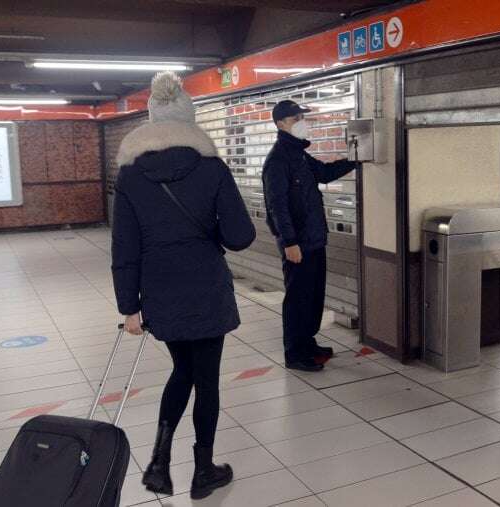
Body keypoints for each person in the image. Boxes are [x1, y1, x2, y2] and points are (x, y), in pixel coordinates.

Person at [111, 71, 255, 500]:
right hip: (206, 290)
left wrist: (129, 307)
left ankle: (158, 461)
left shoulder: (132, 176)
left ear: (152, 121)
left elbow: (124, 246)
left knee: (182, 370)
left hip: (160, 293)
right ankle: (203, 470)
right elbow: (241, 236)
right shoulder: (211, 168)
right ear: (189, 120)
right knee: (204, 378)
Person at [262, 100, 360, 372]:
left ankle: (307, 342)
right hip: (298, 244)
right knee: (297, 299)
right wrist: (289, 242)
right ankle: (295, 353)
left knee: (313, 295)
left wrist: (355, 159)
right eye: (296, 119)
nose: (302, 122)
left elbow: (325, 174)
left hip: (314, 239)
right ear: (281, 123)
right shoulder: (278, 159)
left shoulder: (298, 155)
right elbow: (277, 205)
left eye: (302, 118)